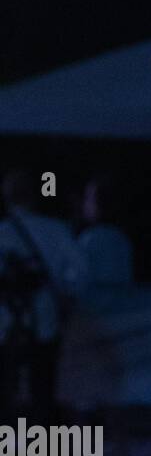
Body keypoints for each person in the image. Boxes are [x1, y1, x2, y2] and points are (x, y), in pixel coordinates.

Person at [0, 168, 84, 427]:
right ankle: (40, 454)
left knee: (4, 390)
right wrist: (64, 294)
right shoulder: (55, 230)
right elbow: (80, 273)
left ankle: (7, 453)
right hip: (44, 320)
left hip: (3, 323)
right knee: (42, 388)